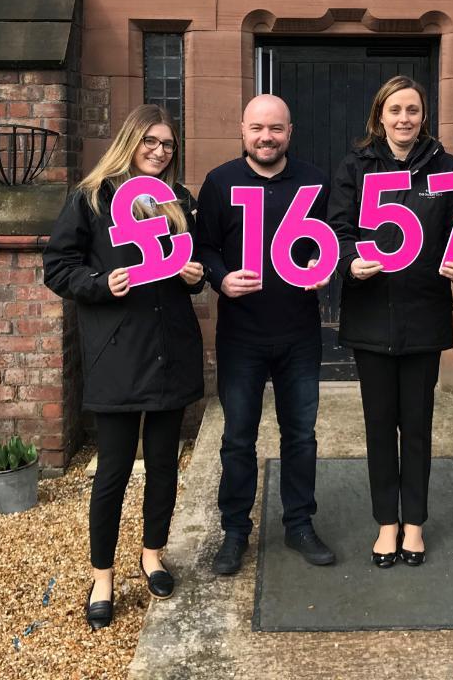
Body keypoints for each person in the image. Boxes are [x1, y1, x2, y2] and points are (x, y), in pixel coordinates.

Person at [42, 104, 206, 630]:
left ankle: (152, 554)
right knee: (113, 470)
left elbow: (194, 266)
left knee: (164, 463)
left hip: (170, 348)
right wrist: (98, 283)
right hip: (117, 351)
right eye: (150, 141)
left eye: (168, 144)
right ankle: (103, 576)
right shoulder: (92, 198)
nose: (160, 151)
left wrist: (195, 275)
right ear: (130, 142)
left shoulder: (180, 201)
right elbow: (58, 267)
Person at [327, 76, 453, 567]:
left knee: (417, 426)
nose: (404, 118)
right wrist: (349, 260)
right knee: (378, 426)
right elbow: (338, 229)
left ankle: (415, 524)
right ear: (380, 116)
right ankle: (386, 523)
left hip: (423, 316)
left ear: (423, 115)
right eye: (395, 110)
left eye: (412, 110)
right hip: (370, 316)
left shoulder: (447, 169)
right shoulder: (355, 166)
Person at [195, 94, 336, 575]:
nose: (266, 137)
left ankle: (299, 524)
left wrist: (322, 265)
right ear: (242, 130)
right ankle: (235, 532)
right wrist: (220, 278)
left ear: (290, 132)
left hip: (299, 332)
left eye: (275, 128)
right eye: (257, 128)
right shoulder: (220, 182)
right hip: (242, 335)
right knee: (238, 438)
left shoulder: (315, 181)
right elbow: (204, 246)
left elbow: (328, 241)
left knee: (301, 436)